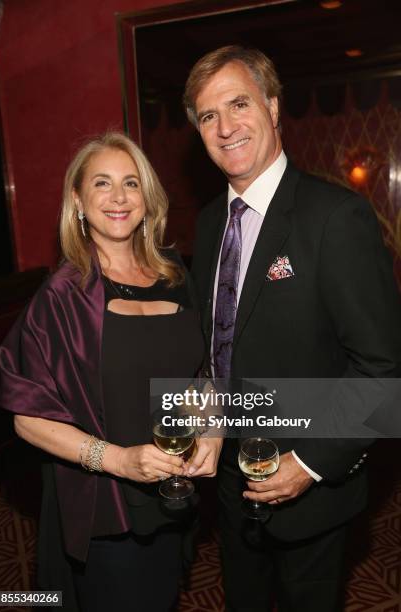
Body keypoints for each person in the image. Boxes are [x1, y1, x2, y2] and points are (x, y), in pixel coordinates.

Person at [184, 46, 401, 611]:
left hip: (310, 492)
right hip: (230, 483)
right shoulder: (209, 225)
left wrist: (307, 464)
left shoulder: (336, 218)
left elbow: (383, 371)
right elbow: (216, 347)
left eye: (239, 104)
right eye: (208, 116)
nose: (225, 127)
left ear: (274, 108)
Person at [0, 132, 210, 612]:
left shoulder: (176, 273)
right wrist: (118, 461)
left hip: (173, 493)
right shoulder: (63, 296)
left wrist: (212, 431)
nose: (118, 197)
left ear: (147, 198)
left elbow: (201, 373)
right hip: (107, 507)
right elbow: (26, 418)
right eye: (102, 183)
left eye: (131, 183)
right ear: (78, 200)